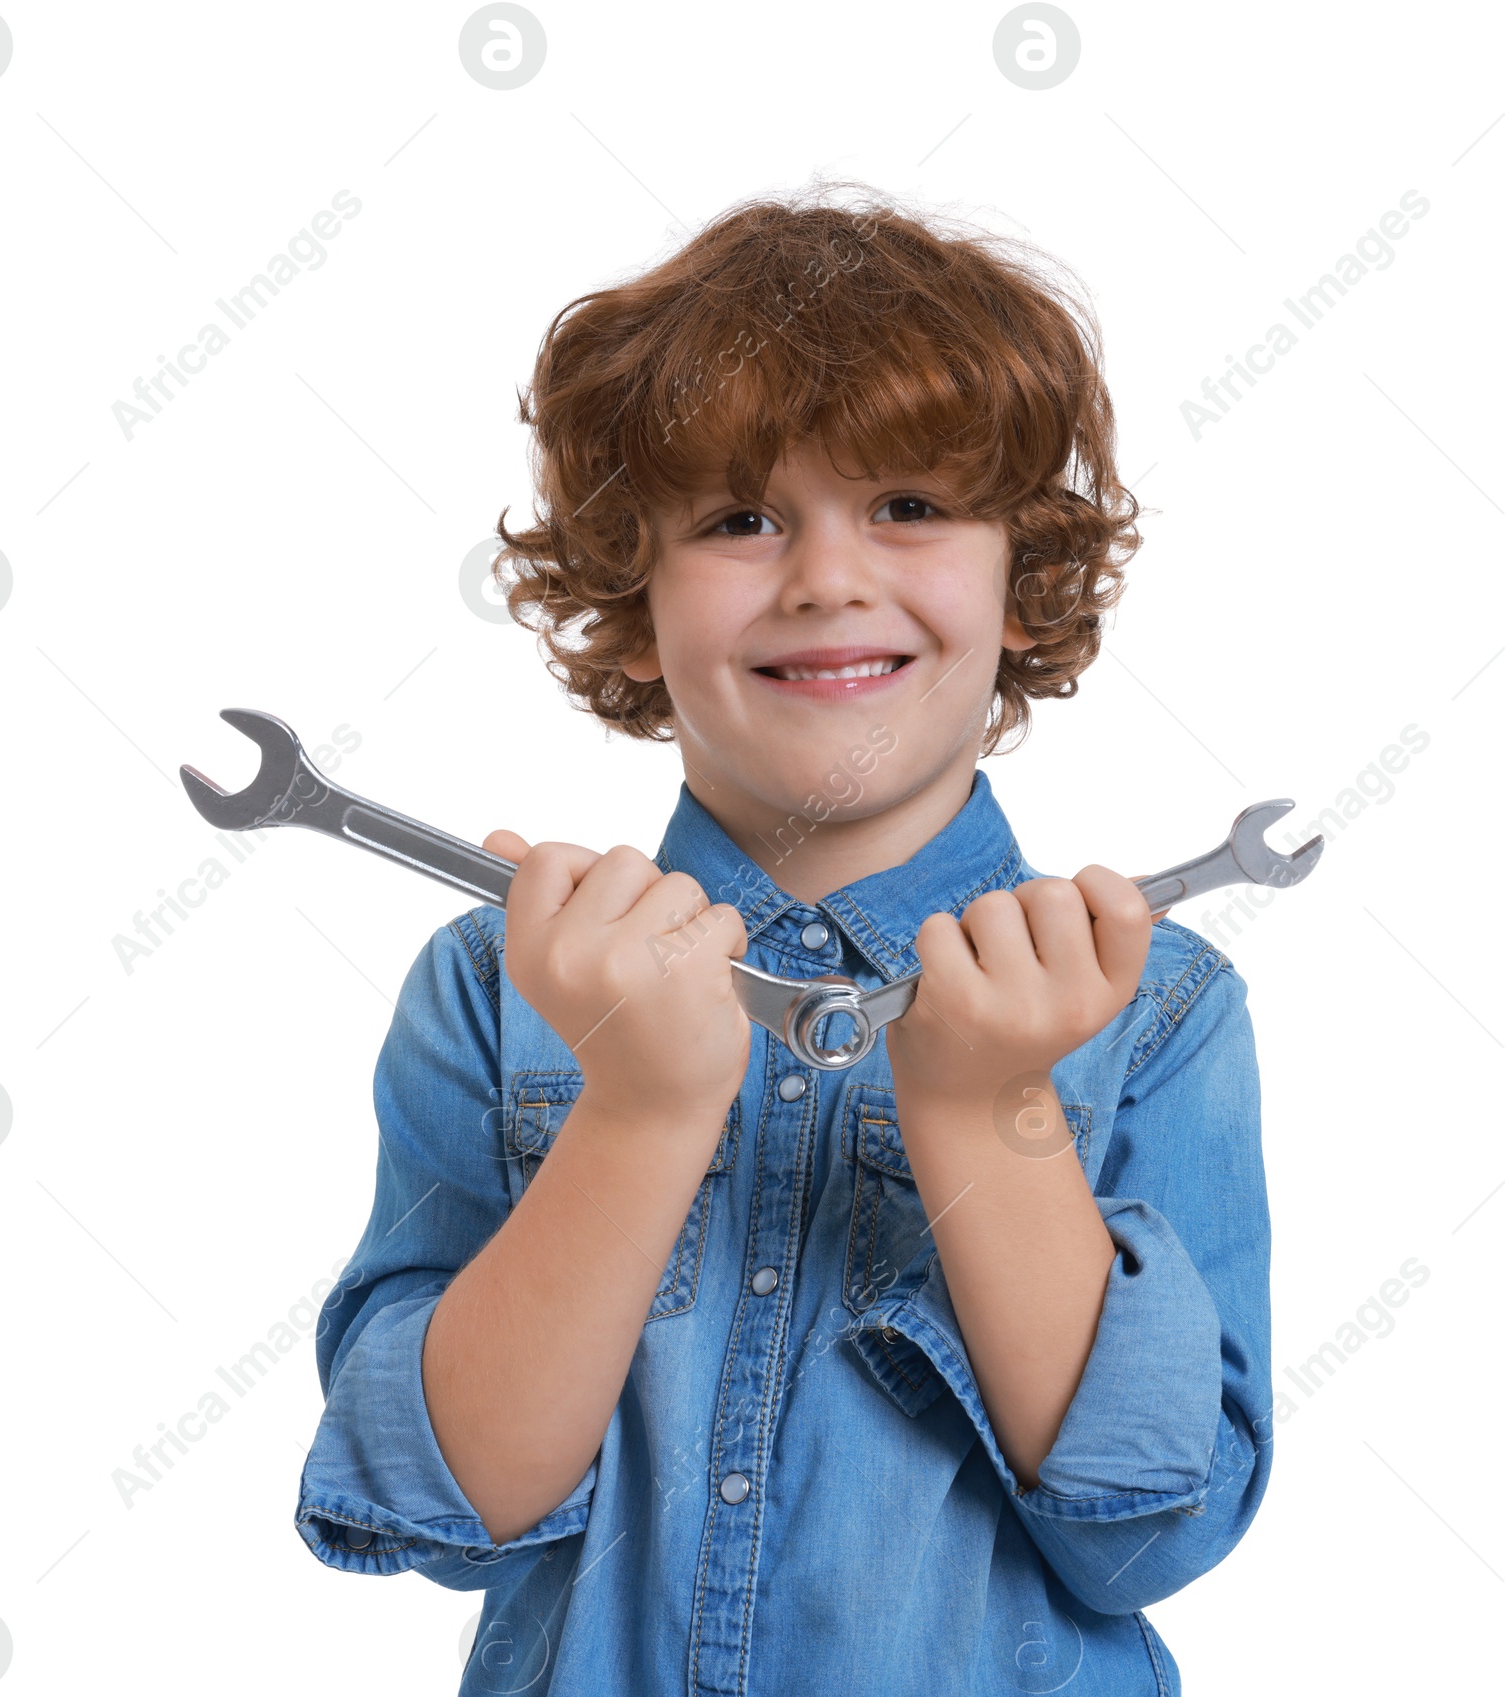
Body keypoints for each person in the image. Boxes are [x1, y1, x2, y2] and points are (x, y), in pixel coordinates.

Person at [296, 183, 1273, 1696]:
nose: (827, 577)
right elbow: (441, 1509)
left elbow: (1148, 1533)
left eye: (912, 504)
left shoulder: (1148, 1011)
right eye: (741, 518)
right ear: (630, 605)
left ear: (1025, 576)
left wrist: (987, 1106)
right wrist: (636, 1110)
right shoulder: (500, 994)